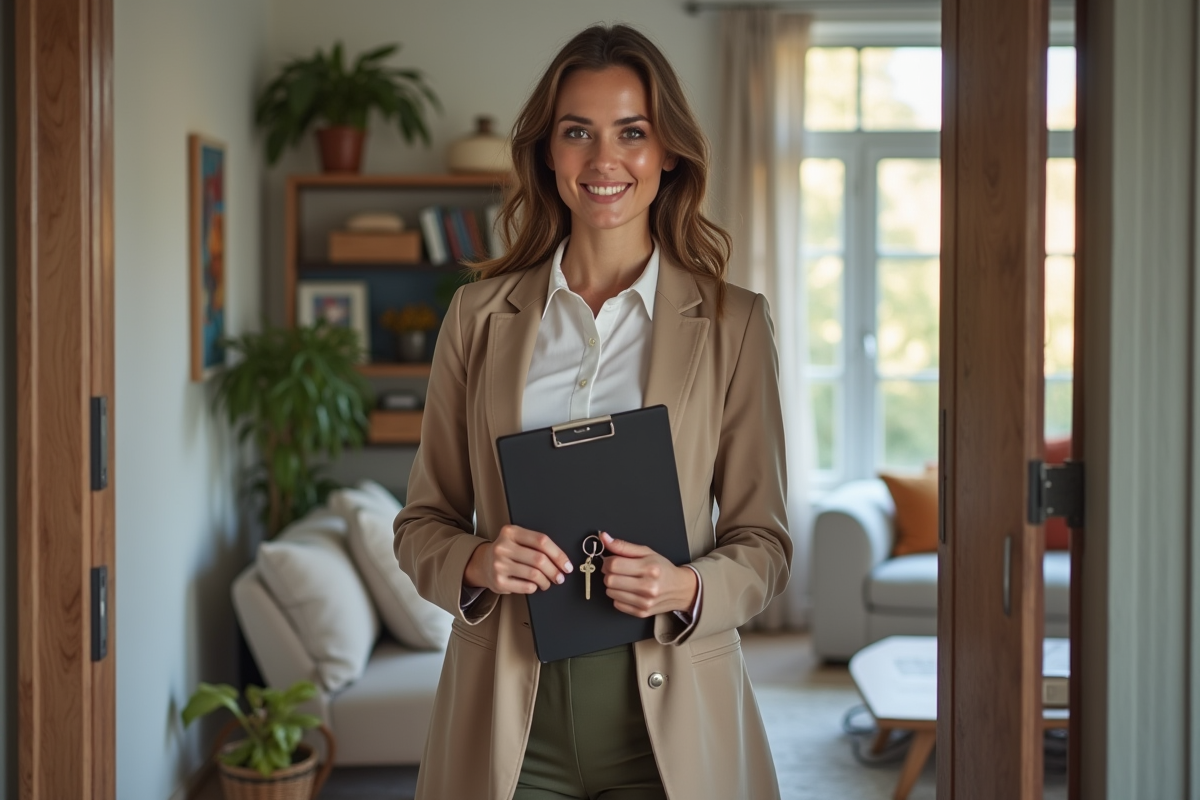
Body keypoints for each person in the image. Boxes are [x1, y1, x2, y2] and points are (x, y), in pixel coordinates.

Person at [393, 23, 790, 800]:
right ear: (548, 152)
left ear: (668, 151)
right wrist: (476, 562)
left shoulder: (735, 323)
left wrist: (685, 588)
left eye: (632, 133)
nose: (605, 161)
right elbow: (420, 524)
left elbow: (765, 544)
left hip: (667, 723)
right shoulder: (477, 317)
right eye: (578, 132)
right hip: (509, 717)